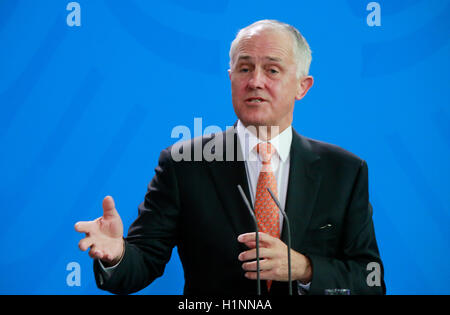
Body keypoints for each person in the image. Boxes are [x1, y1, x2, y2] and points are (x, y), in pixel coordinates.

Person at [75, 20, 385, 295]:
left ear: (302, 86)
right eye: (245, 68)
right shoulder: (184, 163)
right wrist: (117, 254)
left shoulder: (344, 171)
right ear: (231, 77)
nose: (255, 82)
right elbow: (143, 262)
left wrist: (305, 268)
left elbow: (370, 280)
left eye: (272, 70)